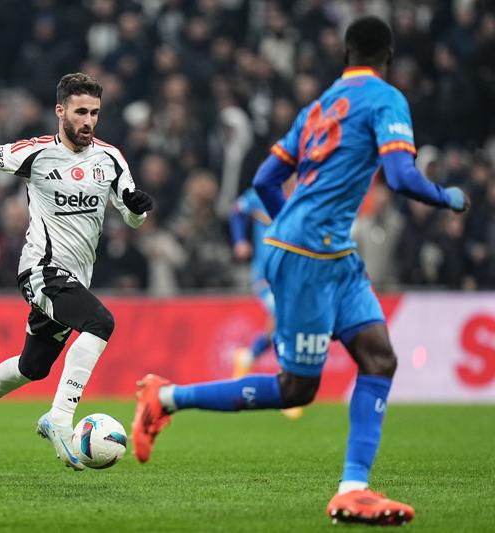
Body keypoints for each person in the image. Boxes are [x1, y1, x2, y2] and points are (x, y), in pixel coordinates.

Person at [132, 16, 469, 525]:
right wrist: (449, 198)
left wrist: (290, 221)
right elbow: (401, 176)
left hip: (332, 254)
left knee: (379, 359)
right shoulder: (386, 99)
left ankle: (354, 489)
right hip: (309, 255)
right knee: (297, 389)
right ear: (388, 57)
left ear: (345, 55)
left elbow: (266, 179)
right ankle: (165, 398)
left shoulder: (317, 107)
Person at [0, 72, 154, 471]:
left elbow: (130, 216)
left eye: (94, 113)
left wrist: (137, 210)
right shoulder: (37, 153)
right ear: (60, 111)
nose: (88, 121)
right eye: (80, 112)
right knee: (101, 322)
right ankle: (59, 419)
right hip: (40, 270)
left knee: (33, 367)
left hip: (76, 279)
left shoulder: (110, 158)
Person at [228, 182, 302, 420]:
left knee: (282, 323)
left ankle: (248, 356)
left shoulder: (303, 194)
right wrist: (240, 240)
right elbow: (236, 210)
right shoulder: (262, 193)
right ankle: (288, 389)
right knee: (284, 320)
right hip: (265, 275)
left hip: (293, 274)